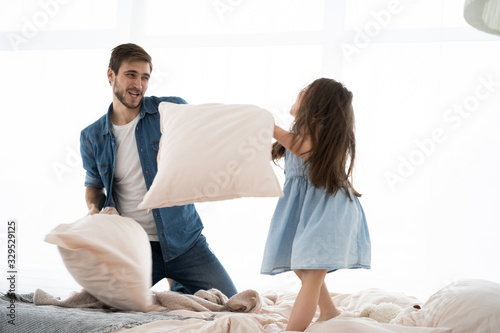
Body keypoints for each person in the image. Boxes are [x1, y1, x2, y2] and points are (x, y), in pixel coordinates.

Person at [80, 43, 237, 298]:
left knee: (230, 303)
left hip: (185, 243)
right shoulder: (92, 136)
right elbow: (94, 185)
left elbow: (205, 141)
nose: (139, 85)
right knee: (98, 305)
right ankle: (177, 291)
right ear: (111, 75)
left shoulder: (170, 110)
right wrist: (94, 211)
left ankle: (178, 287)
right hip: (135, 249)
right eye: (131, 74)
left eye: (145, 77)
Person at [261, 78, 371, 331]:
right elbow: (285, 149)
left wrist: (271, 127)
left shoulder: (318, 135)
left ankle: (293, 331)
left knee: (311, 276)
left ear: (316, 105)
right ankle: (330, 311)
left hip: (330, 214)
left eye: (305, 92)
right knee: (303, 267)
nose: (298, 93)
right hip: (310, 212)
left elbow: (303, 148)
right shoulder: (297, 136)